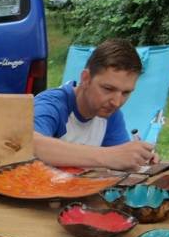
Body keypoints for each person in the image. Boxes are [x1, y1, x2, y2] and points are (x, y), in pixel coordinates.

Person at [32, 38, 159, 171]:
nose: (116, 102)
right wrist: (108, 156)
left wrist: (138, 158)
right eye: (108, 89)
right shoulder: (51, 105)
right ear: (86, 78)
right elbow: (30, 143)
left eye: (126, 92)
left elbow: (121, 160)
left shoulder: (109, 113)